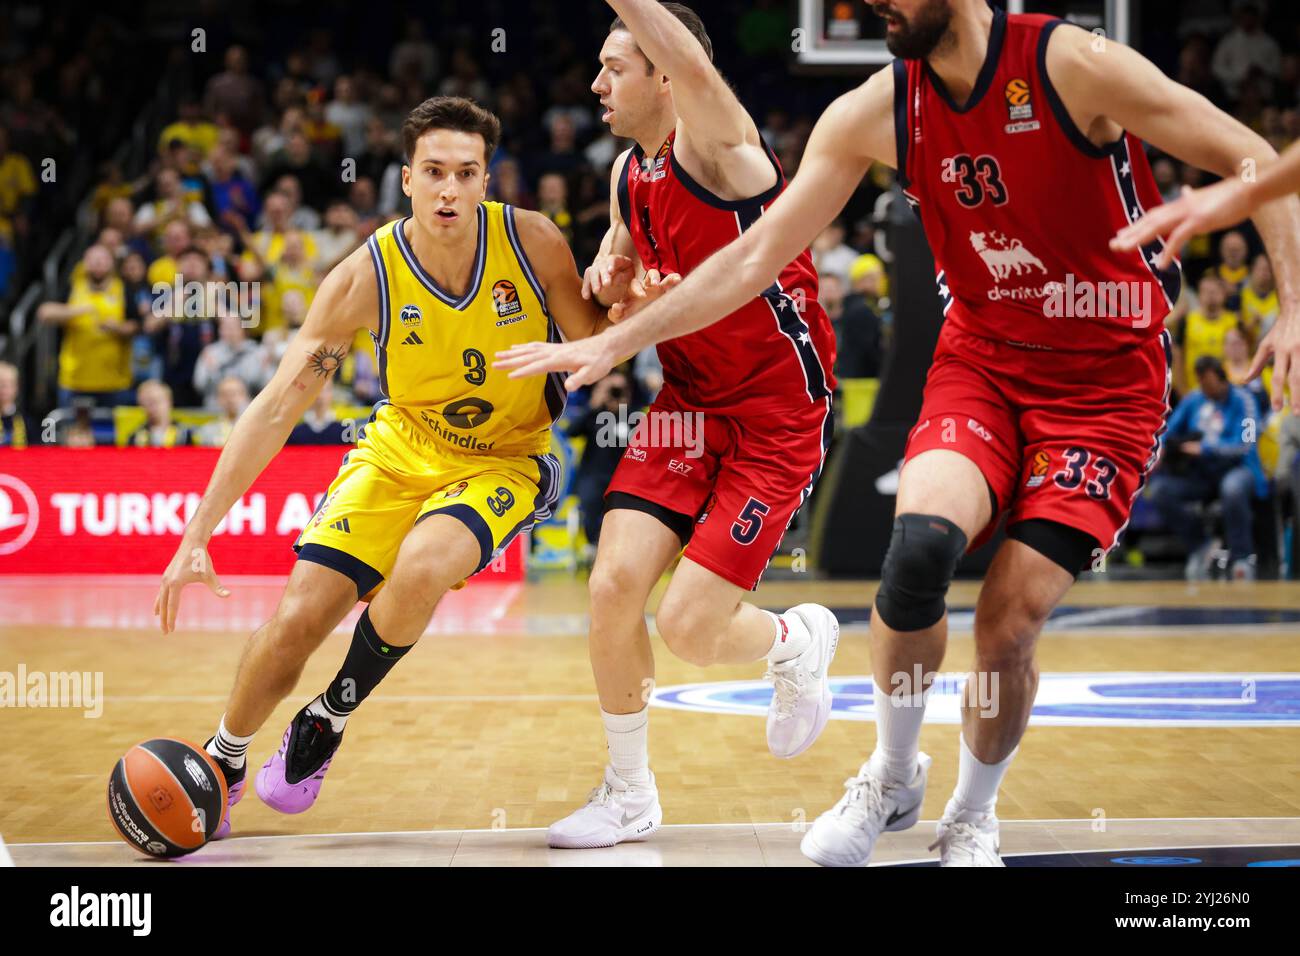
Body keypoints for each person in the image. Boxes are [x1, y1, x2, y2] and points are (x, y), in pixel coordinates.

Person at [499, 0, 1300, 866]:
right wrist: (617, 324)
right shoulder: (870, 111)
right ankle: (888, 772)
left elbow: (1251, 152)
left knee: (1009, 618)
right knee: (915, 551)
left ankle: (972, 812)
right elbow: (754, 254)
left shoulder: (1077, 65)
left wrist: (1293, 299)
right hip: (980, 363)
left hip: (1101, 386)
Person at [154, 96, 644, 841]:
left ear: (487, 180)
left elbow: (595, 351)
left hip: (511, 458)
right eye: (435, 173)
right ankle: (223, 762)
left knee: (422, 565)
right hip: (399, 448)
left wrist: (625, 312)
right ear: (407, 179)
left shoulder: (534, 242)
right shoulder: (363, 277)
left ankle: (329, 716)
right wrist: (198, 529)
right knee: (297, 619)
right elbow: (277, 408)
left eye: (467, 173)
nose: (450, 189)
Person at [504, 0, 841, 852]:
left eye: (616, 65)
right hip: (687, 404)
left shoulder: (722, 147)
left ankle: (795, 644)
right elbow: (623, 276)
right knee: (612, 586)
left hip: (775, 416)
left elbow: (693, 64)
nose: (597, 83)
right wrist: (609, 274)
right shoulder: (626, 173)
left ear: (663, 67)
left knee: (689, 628)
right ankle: (628, 795)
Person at [1149, 356, 1265, 580]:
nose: (1205, 389)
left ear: (1221, 379)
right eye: (1201, 383)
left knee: (1232, 488)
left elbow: (1245, 445)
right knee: (1161, 490)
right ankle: (1201, 545)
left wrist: (1205, 448)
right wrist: (1161, 448)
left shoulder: (1245, 400)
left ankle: (1242, 557)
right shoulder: (1195, 398)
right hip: (1201, 474)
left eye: (1209, 384)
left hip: (1239, 469)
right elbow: (1168, 430)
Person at [38, 244, 137, 408]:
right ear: (84, 263)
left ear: (111, 263)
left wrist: (116, 328)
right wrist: (79, 310)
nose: (98, 264)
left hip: (115, 382)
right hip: (74, 381)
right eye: (93, 260)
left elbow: (137, 326)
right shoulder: (73, 287)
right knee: (71, 432)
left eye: (103, 260)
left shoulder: (123, 289)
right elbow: (45, 312)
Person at [128, 379, 193, 447]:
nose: (152, 408)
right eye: (147, 404)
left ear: (169, 401)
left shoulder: (184, 435)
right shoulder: (135, 437)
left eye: (156, 401)